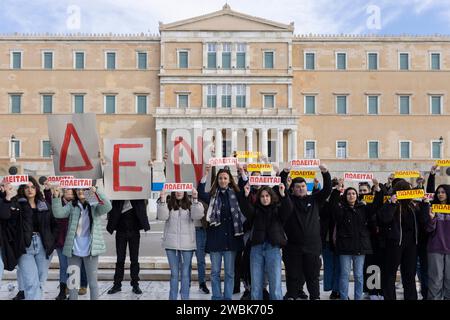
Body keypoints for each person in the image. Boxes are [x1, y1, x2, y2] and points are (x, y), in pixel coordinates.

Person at [0, 177, 57, 300]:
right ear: (22, 189)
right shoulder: (17, 203)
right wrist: (8, 196)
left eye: (32, 187)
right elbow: (6, 219)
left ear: (36, 188)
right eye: (26, 187)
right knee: (31, 283)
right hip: (25, 247)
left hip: (43, 246)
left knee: (40, 282)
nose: (30, 190)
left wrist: (51, 242)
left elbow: (54, 224)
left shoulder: (44, 204)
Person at [51, 185, 112, 300]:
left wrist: (96, 191)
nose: (80, 191)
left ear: (88, 191)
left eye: (83, 189)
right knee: (73, 283)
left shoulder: (93, 203)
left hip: (91, 250)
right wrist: (56, 197)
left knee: (93, 283)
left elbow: (108, 207)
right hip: (73, 250)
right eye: (78, 189)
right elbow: (58, 214)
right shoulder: (72, 205)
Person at [283, 164, 331, 300]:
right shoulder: (288, 200)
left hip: (312, 247)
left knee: (313, 276)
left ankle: (315, 297)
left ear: (306, 187)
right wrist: (285, 172)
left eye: (303, 186)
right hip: (292, 247)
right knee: (292, 275)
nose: (301, 189)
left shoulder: (314, 199)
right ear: (292, 189)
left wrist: (325, 173)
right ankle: (292, 296)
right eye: (297, 187)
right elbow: (281, 190)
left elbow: (327, 190)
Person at [197, 164, 245, 300]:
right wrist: (206, 174)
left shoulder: (236, 195)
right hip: (215, 241)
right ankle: (217, 297)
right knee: (215, 272)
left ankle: (228, 298)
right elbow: (201, 192)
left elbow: (245, 189)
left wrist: (241, 172)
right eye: (220, 178)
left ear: (229, 180)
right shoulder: (212, 197)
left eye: (225, 178)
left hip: (231, 241)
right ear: (217, 180)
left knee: (230, 273)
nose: (222, 180)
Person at [237, 183, 292, 300]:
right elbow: (246, 209)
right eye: (262, 196)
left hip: (273, 248)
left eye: (267, 196)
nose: (265, 198)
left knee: (275, 283)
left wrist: (284, 194)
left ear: (271, 197)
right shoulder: (255, 211)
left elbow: (288, 209)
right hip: (256, 249)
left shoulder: (278, 210)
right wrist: (245, 195)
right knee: (256, 284)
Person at [378, 179, 429, 300]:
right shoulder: (391, 203)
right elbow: (384, 219)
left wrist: (425, 205)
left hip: (411, 244)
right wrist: (391, 204)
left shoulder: (413, 205)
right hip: (394, 243)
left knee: (409, 275)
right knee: (390, 273)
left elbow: (423, 221)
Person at [332, 184, 380, 300]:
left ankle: (357, 298)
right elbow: (333, 205)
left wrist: (378, 191)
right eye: (348, 194)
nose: (351, 195)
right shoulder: (340, 208)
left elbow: (375, 205)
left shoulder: (363, 208)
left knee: (358, 275)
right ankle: (344, 297)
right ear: (345, 196)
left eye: (353, 193)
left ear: (357, 195)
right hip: (345, 248)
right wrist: (337, 191)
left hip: (359, 247)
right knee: (344, 275)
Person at [157, 187, 203, 300]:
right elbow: (162, 217)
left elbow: (198, 216)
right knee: (174, 274)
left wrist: (195, 198)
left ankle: (185, 299)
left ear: (185, 191)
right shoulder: (168, 204)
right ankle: (172, 298)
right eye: (176, 189)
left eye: (181, 189)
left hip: (187, 245)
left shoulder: (191, 204)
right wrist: (162, 199)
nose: (178, 192)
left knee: (185, 274)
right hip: (171, 244)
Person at [106, 199, 150, 295]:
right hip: (121, 230)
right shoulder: (117, 199)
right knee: (120, 259)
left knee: (134, 259)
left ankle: (135, 284)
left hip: (134, 231)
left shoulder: (138, 198)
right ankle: (117, 284)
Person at [426, 171, 450, 299]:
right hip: (435, 248)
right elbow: (429, 230)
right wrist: (431, 218)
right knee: (435, 280)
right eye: (438, 192)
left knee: (449, 280)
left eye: (443, 192)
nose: (440, 194)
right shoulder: (432, 208)